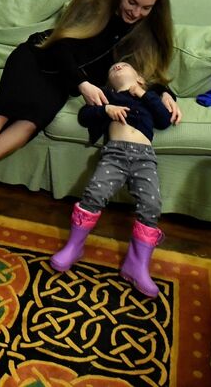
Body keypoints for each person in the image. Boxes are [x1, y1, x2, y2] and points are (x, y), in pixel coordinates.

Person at [0, 0, 182, 227]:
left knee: (27, 127)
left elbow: (147, 70)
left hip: (61, 85)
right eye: (132, 2)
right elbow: (60, 46)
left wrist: (164, 93)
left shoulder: (146, 30)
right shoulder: (92, 1)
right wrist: (82, 83)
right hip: (37, 59)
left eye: (146, 7)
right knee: (2, 112)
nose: (136, 12)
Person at [50, 61, 173, 298]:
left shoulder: (149, 96)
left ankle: (136, 265)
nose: (116, 67)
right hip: (115, 154)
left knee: (152, 205)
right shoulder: (107, 95)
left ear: (139, 78)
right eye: (112, 67)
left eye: (124, 65)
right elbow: (85, 115)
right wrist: (106, 110)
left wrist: (144, 93)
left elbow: (164, 120)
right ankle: (73, 247)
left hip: (145, 159)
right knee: (94, 194)